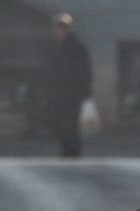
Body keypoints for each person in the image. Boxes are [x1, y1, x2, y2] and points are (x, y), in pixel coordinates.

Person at [44, 12, 91, 157]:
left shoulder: (77, 48)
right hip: (57, 93)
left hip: (71, 94)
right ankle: (67, 149)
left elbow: (85, 72)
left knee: (70, 125)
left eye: (62, 28)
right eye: (58, 28)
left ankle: (72, 151)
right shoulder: (53, 47)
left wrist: (84, 92)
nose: (59, 31)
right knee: (58, 124)